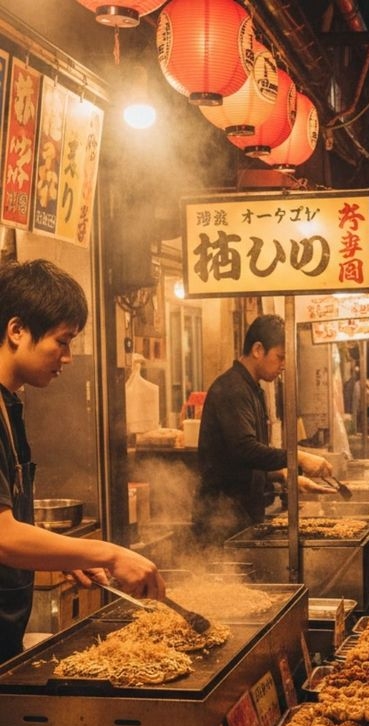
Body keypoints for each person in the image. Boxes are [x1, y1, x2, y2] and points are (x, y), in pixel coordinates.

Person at [0, 259, 165, 664]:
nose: (69, 357)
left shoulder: (10, 405)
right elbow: (2, 537)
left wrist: (65, 556)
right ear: (17, 330)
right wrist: (108, 554)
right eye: (62, 340)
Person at [193, 314, 333, 543]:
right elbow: (244, 449)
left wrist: (283, 474)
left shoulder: (251, 388)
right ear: (258, 349)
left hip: (240, 517)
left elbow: (239, 462)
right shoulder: (232, 389)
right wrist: (297, 458)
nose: (283, 366)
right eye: (280, 357)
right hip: (221, 520)